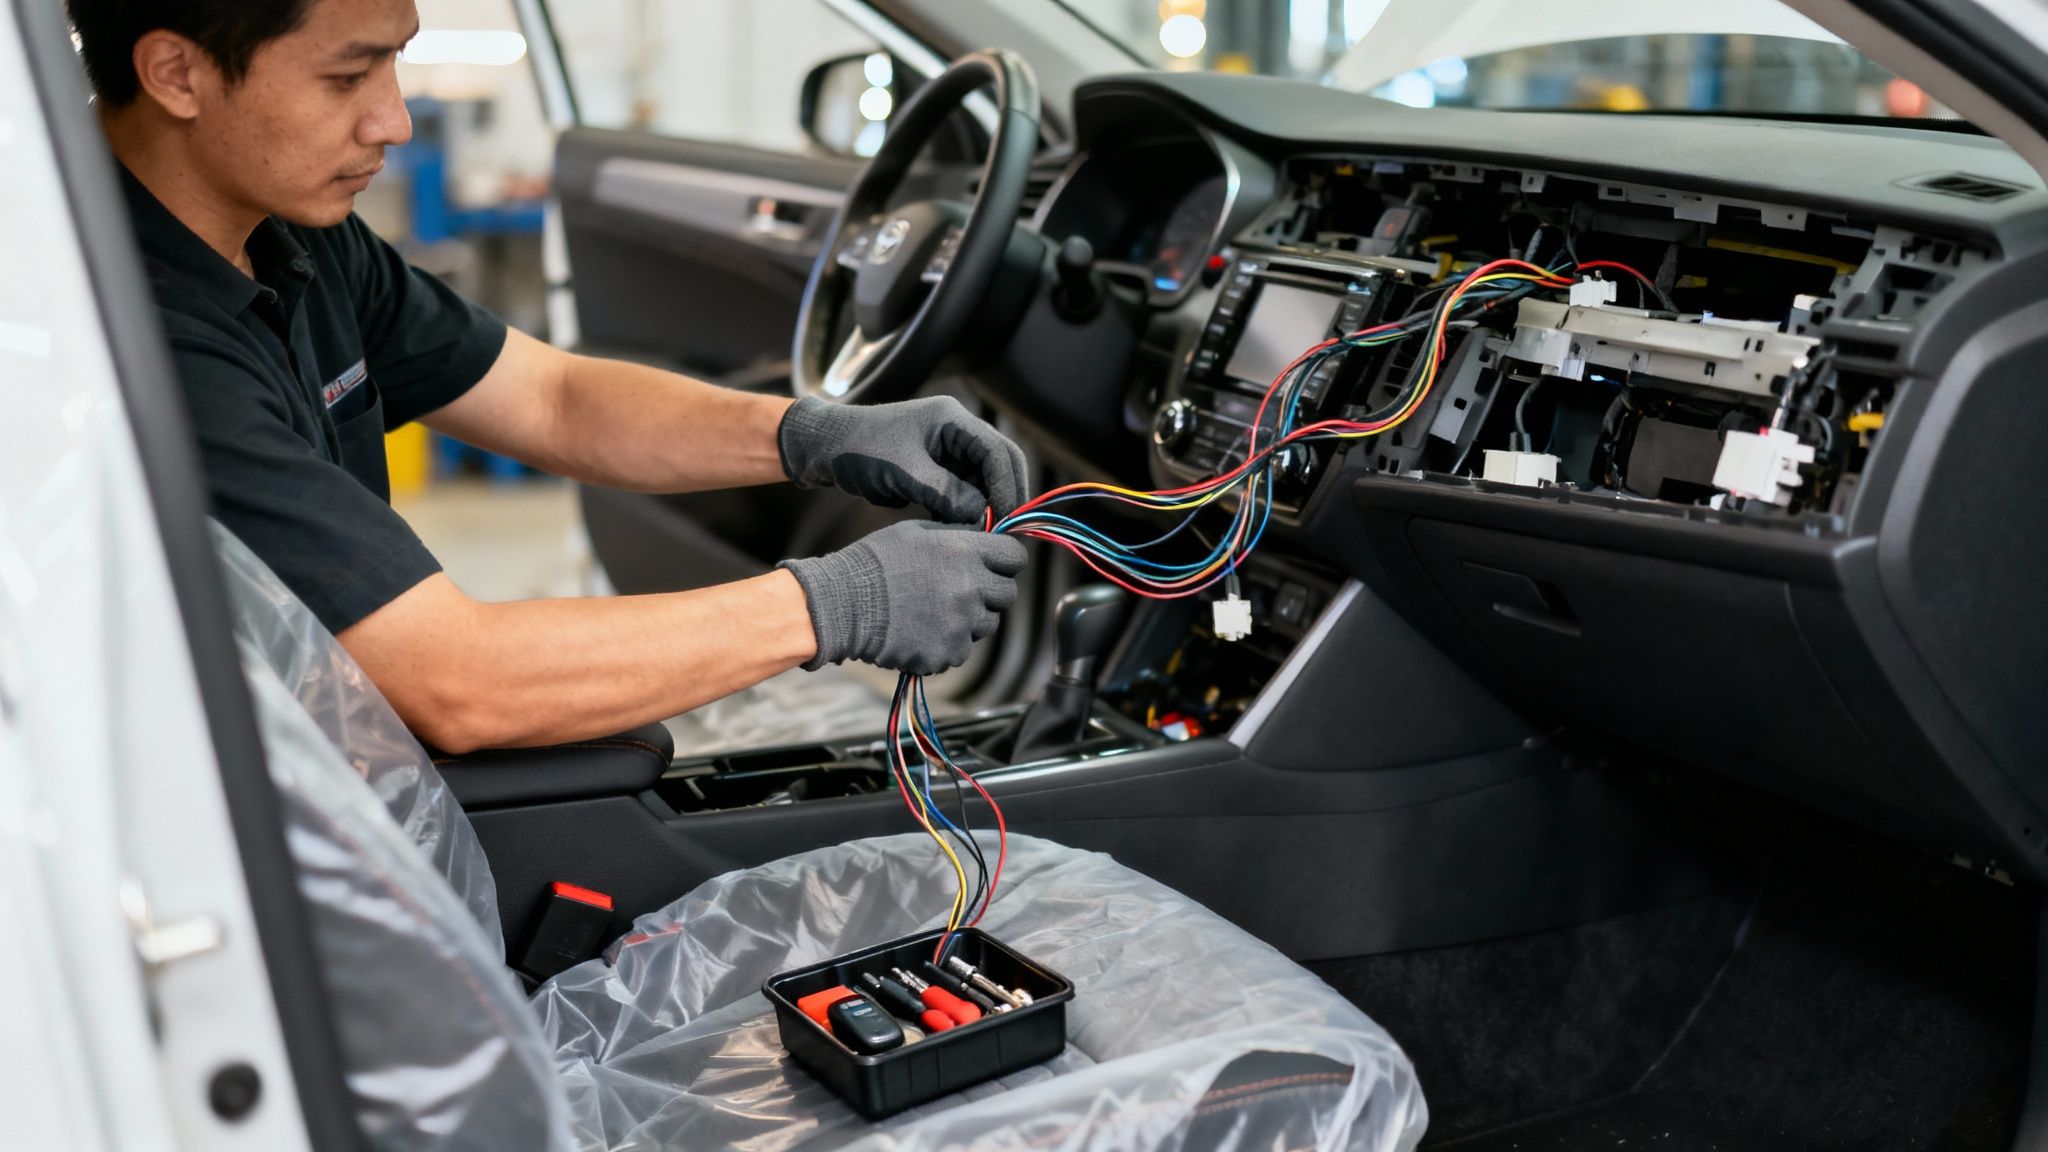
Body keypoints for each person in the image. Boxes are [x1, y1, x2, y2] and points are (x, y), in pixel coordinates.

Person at [67, 0, 1031, 753]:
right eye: (348, 76)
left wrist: (814, 434)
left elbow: (552, 398)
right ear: (177, 73)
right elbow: (455, 682)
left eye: (396, 62)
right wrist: (836, 604)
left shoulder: (293, 239)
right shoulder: (122, 338)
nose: (393, 119)